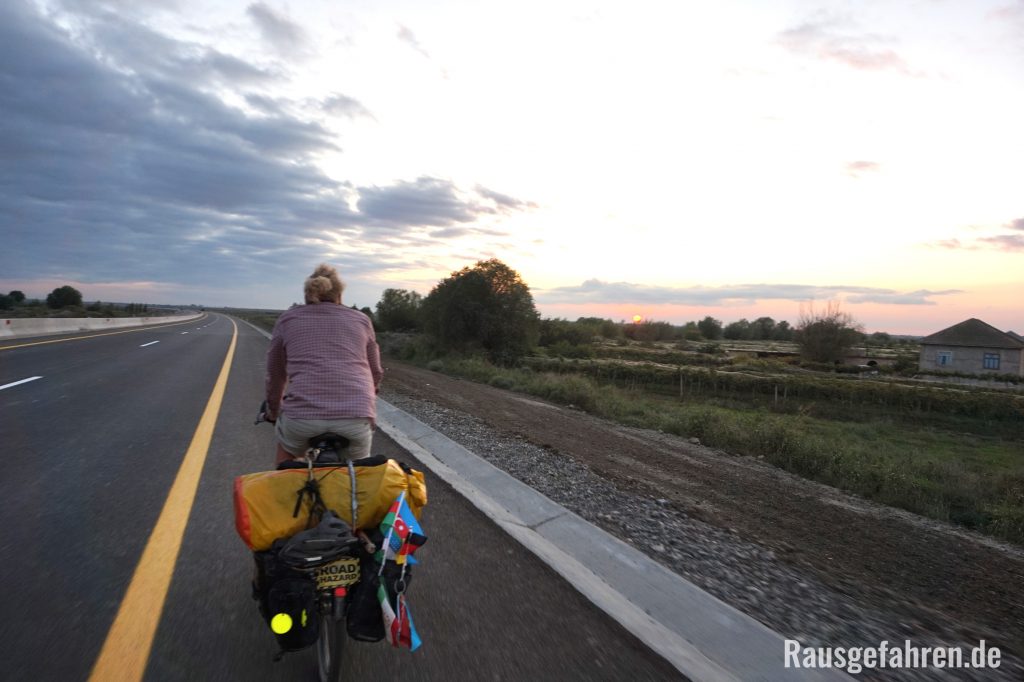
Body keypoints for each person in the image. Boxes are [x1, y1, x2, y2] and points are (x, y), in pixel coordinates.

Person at [264, 263, 383, 464]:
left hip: (302, 419)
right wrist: (366, 397)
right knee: (360, 474)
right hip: (355, 418)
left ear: (308, 295)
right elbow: (375, 373)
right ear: (339, 296)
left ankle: (286, 485)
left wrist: (273, 411)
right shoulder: (361, 320)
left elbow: (275, 374)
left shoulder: (288, 320)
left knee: (287, 461)